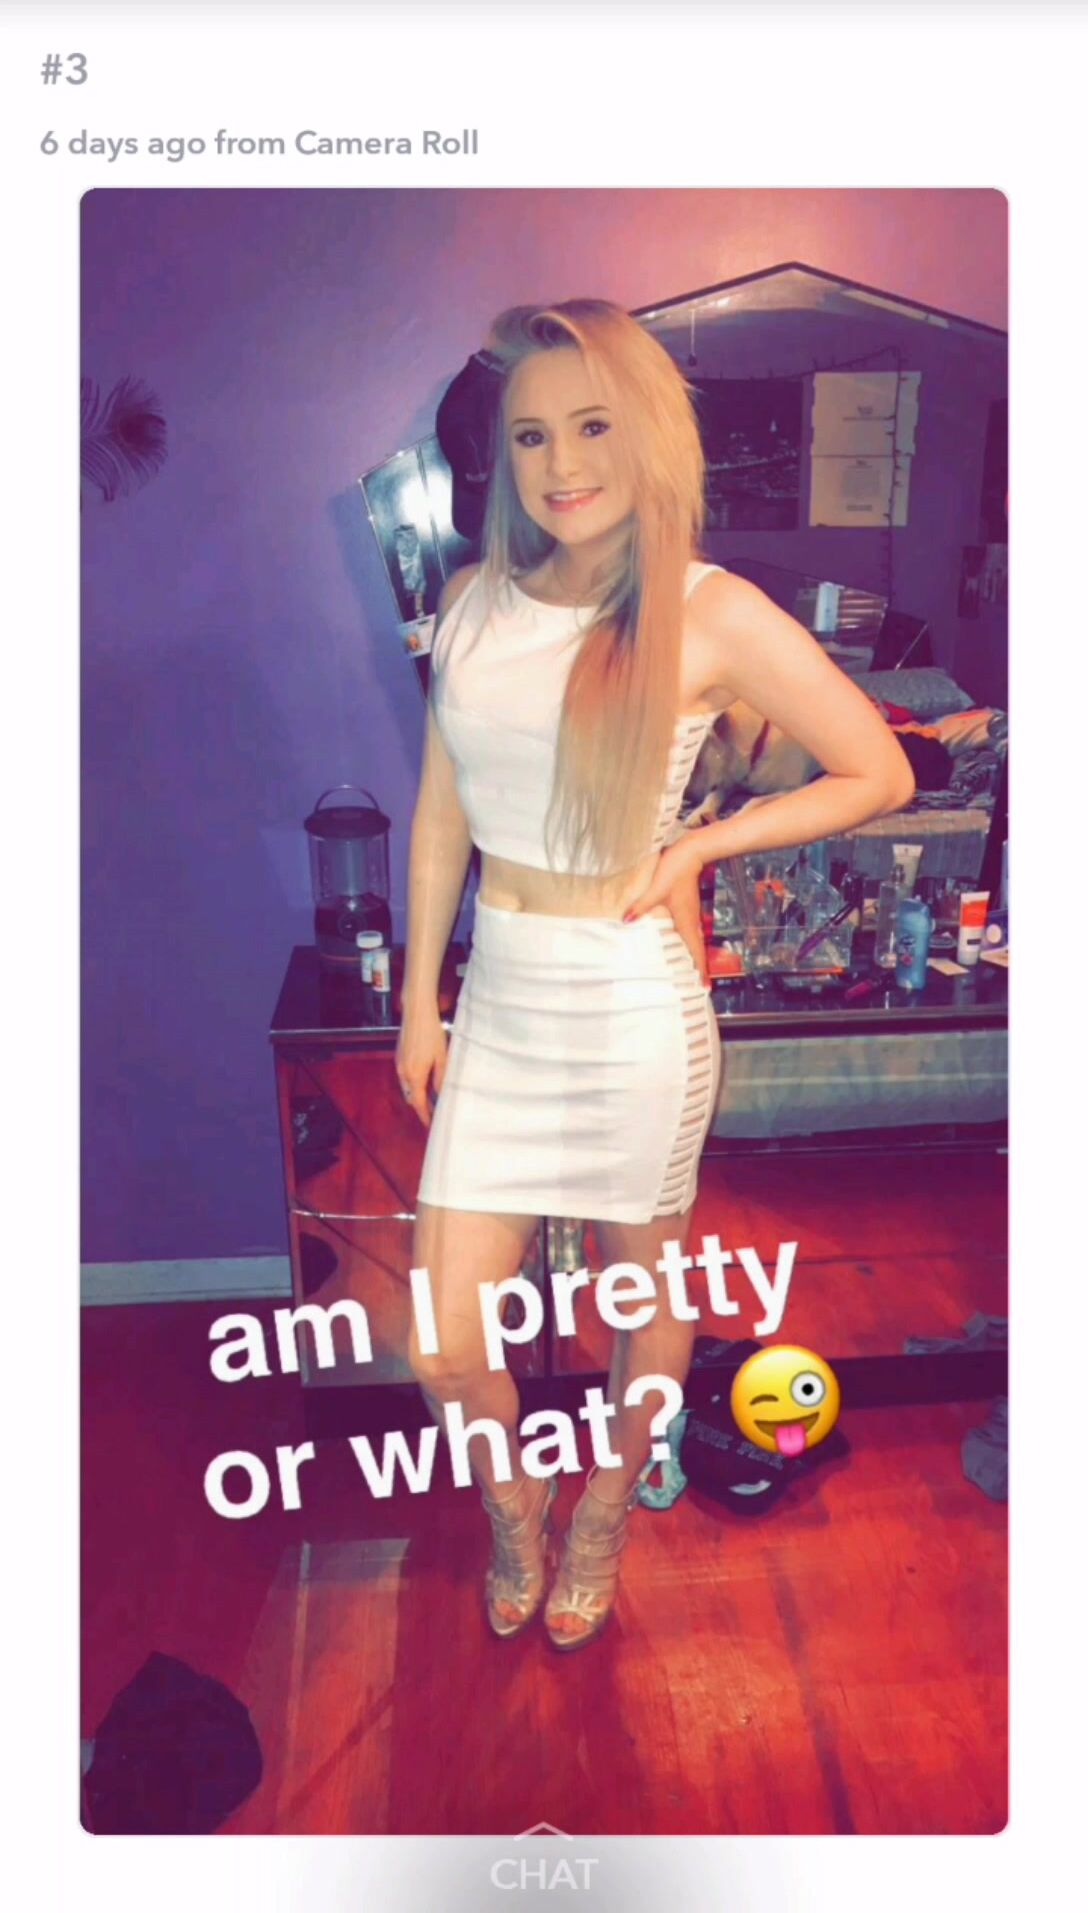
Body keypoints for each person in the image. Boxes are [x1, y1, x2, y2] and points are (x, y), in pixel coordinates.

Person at [396, 298, 914, 1652]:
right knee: (443, 1338)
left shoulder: (708, 611)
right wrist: (416, 1002)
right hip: (501, 1004)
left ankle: (608, 1508)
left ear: (649, 438)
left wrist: (703, 843)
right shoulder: (471, 601)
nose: (562, 463)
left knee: (644, 1295)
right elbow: (441, 815)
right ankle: (516, 1505)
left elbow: (878, 768)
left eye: (593, 426)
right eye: (530, 436)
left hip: (631, 1004)